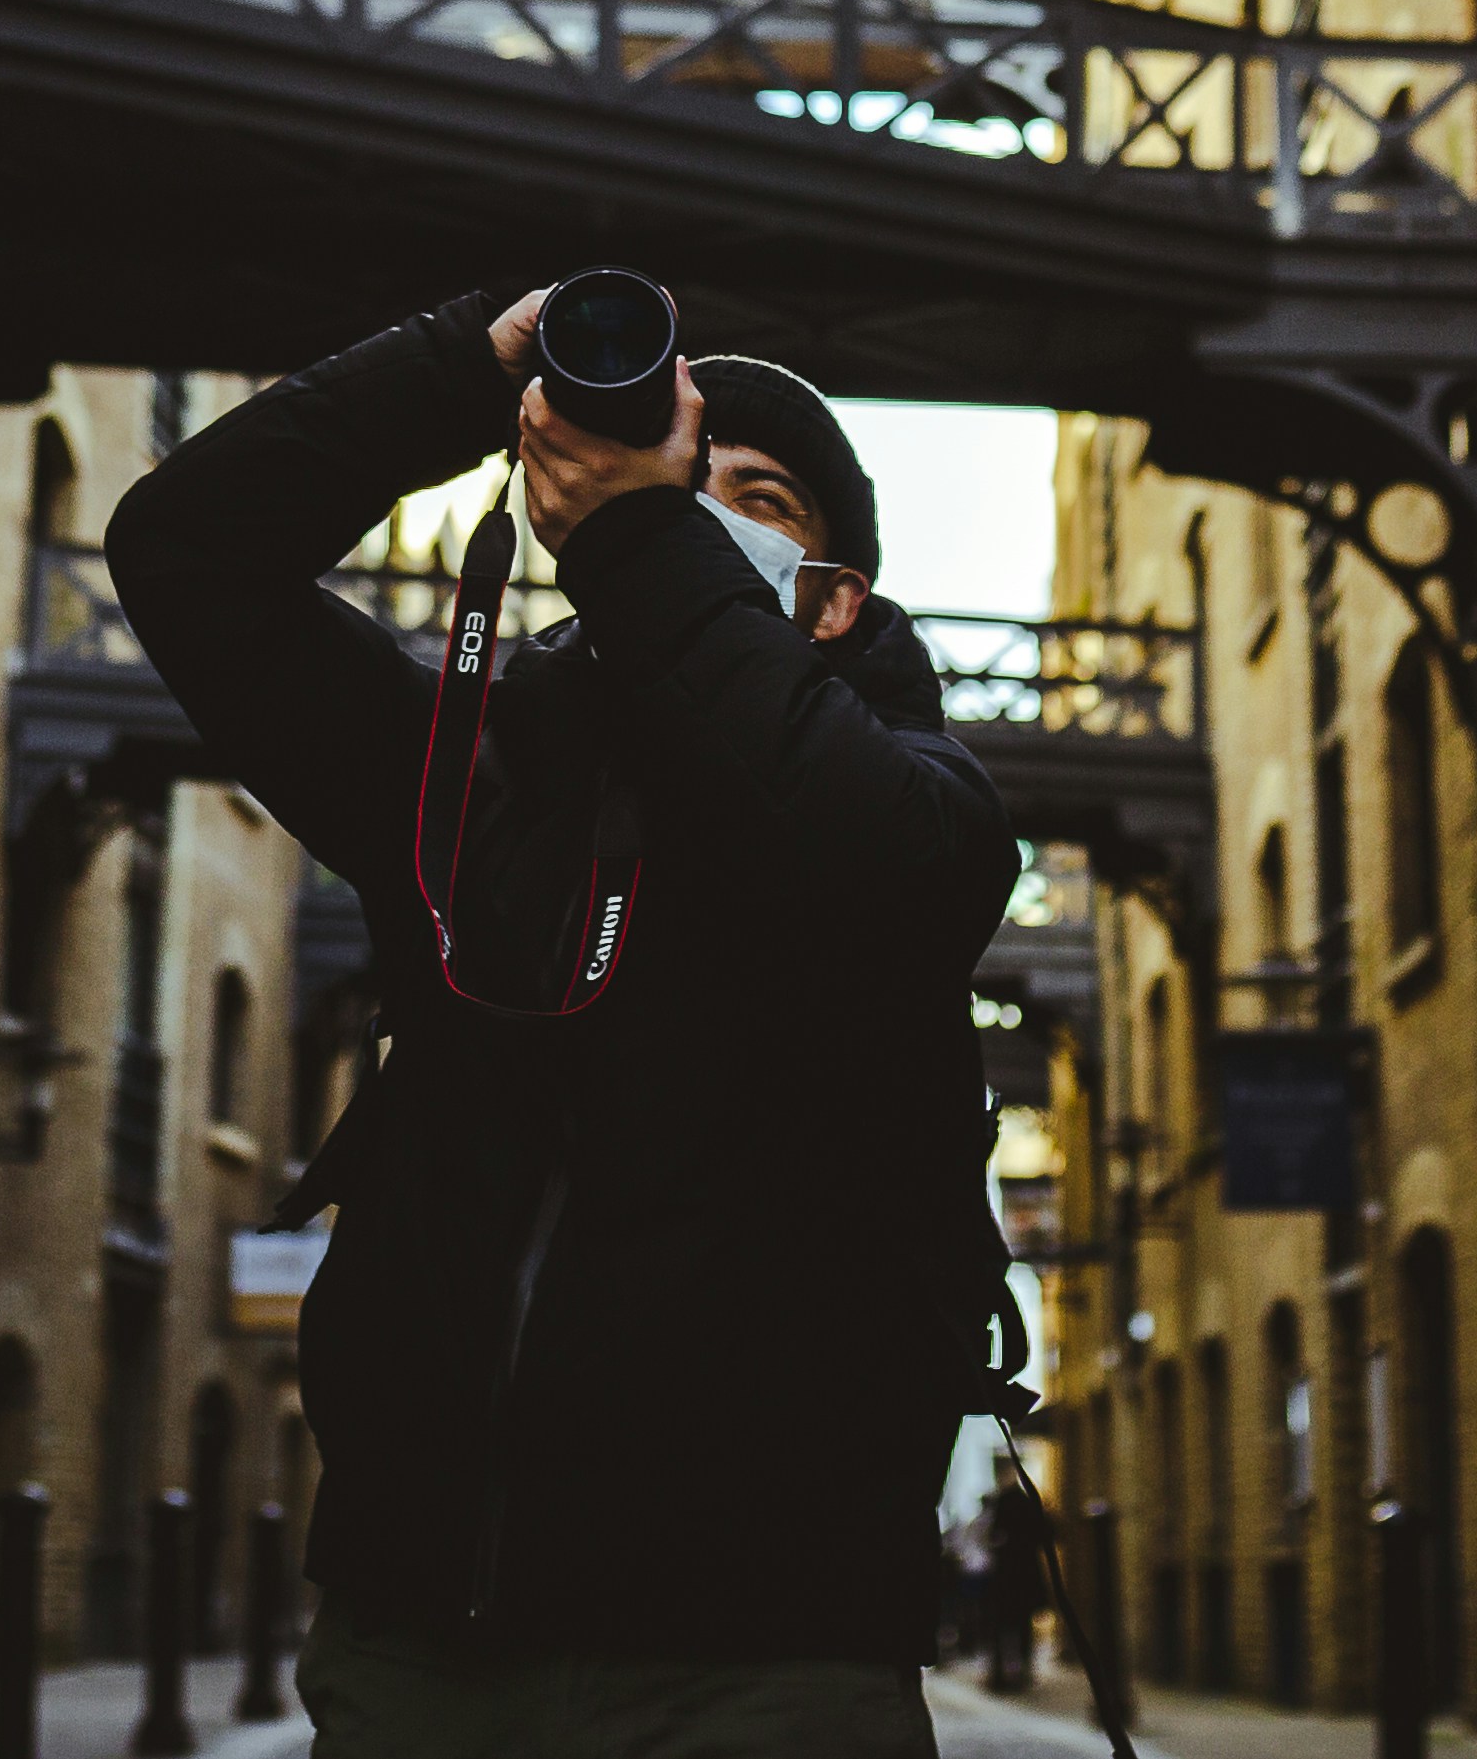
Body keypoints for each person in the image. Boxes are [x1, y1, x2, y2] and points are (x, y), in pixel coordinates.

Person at [103, 280, 1017, 1756]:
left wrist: (643, 530)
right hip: (422, 1645)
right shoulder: (468, 791)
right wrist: (468, 367)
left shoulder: (926, 811)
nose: (693, 498)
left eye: (752, 495)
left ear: (833, 596)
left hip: (765, 1662)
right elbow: (186, 550)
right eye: (672, 460)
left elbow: (839, 832)